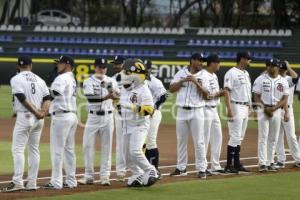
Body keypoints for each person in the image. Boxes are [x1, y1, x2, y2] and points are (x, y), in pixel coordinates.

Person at [1, 57, 51, 193]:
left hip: (26, 116)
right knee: (34, 149)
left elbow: (21, 98)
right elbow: (47, 98)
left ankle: (17, 182)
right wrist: (43, 112)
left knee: (18, 149)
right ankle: (32, 183)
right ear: (31, 65)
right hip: (39, 119)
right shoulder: (40, 80)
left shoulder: (16, 79)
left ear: (18, 66)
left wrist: (35, 111)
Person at [77, 58, 119, 186]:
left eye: (104, 67)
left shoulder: (111, 81)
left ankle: (105, 176)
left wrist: (115, 95)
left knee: (107, 147)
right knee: (87, 146)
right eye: (99, 67)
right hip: (93, 117)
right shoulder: (88, 81)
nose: (102, 69)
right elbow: (91, 99)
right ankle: (89, 176)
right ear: (95, 67)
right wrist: (108, 96)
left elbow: (117, 97)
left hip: (108, 116)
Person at [119, 58, 158, 187]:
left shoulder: (144, 90)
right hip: (126, 125)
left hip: (139, 125)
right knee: (127, 157)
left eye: (127, 72)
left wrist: (132, 107)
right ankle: (137, 174)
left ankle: (151, 170)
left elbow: (149, 110)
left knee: (135, 151)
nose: (124, 74)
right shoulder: (126, 88)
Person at [169, 53, 208, 179]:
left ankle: (202, 169)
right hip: (181, 111)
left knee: (199, 141)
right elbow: (171, 88)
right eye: (200, 60)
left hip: (197, 111)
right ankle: (181, 168)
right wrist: (182, 81)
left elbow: (207, 95)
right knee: (181, 140)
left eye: (203, 61)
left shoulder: (204, 75)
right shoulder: (181, 73)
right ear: (192, 61)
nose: (202, 63)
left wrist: (196, 82)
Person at [43, 55, 78, 189]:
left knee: (57, 150)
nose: (57, 65)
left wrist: (43, 89)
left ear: (67, 65)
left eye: (60, 63)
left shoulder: (62, 77)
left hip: (62, 117)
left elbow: (54, 93)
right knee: (69, 150)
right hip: (71, 115)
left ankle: (56, 182)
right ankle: (71, 180)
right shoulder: (71, 78)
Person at [253, 58, 289, 172]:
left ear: (278, 67)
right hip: (263, 110)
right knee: (263, 137)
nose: (270, 67)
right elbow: (256, 97)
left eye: (273, 65)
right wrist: (265, 109)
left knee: (273, 138)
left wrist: (275, 108)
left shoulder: (283, 81)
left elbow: (285, 99)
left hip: (277, 110)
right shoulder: (260, 79)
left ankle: (270, 162)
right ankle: (262, 163)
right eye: (268, 65)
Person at [223, 51, 252, 173]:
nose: (250, 61)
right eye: (248, 59)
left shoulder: (246, 73)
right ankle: (229, 165)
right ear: (242, 59)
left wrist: (250, 106)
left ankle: (237, 163)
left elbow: (248, 92)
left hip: (245, 107)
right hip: (235, 106)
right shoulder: (231, 73)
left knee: (239, 137)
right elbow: (226, 91)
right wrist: (229, 109)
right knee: (234, 136)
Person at [199, 54, 225, 174]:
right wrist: (219, 94)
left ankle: (215, 165)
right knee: (205, 138)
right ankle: (202, 167)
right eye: (218, 62)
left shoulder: (214, 75)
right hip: (205, 108)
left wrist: (217, 94)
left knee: (218, 136)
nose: (219, 65)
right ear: (213, 63)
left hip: (214, 110)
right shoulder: (203, 75)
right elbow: (206, 95)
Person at [144, 60, 168, 177]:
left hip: (153, 114)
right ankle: (147, 169)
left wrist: (155, 107)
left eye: (147, 68)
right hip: (142, 115)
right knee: (142, 143)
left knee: (151, 141)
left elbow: (164, 96)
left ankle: (155, 170)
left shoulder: (155, 81)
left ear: (150, 68)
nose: (146, 69)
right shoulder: (138, 81)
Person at [275, 61, 300, 168]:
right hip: (276, 109)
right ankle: (281, 160)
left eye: (283, 68)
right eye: (280, 68)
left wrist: (289, 66)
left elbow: (296, 78)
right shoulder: (275, 79)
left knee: (291, 136)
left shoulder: (290, 79)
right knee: (278, 136)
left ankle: (298, 159)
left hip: (287, 110)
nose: (281, 70)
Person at [110, 55, 127, 181]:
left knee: (135, 142)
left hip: (133, 113)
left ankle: (140, 169)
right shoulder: (113, 79)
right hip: (119, 114)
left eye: (118, 63)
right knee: (121, 142)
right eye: (115, 63)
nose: (115, 65)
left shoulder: (133, 77)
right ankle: (121, 171)